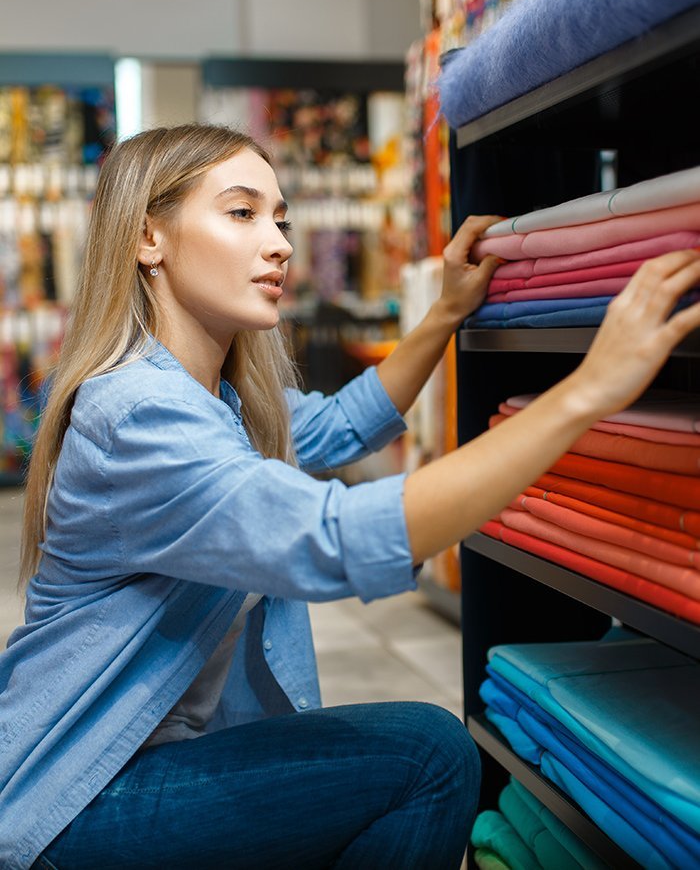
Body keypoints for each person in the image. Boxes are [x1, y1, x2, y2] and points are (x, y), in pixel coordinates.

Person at [1, 123, 699, 870]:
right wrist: (587, 390)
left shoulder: (219, 403)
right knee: (428, 755)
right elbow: (333, 539)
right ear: (149, 238)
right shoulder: (138, 413)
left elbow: (338, 425)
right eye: (242, 214)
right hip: (80, 800)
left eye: (280, 219)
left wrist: (444, 313)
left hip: (152, 766)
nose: (279, 245)